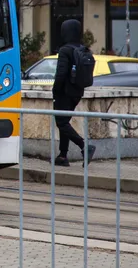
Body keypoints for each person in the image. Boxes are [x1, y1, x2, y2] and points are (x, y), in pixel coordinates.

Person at [52, 19, 96, 166]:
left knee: (62, 122)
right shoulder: (83, 49)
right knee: (65, 122)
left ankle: (84, 146)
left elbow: (61, 74)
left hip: (64, 93)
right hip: (77, 92)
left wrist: (55, 91)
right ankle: (63, 156)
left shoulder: (65, 50)